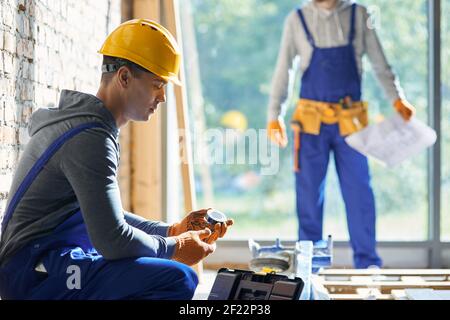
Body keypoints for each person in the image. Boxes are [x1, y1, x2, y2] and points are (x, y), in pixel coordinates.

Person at [0, 19, 233, 300]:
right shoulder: (90, 137)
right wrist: (174, 247)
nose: (162, 97)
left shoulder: (91, 127)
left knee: (161, 269)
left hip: (48, 258)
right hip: (29, 272)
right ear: (124, 77)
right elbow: (113, 240)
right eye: (157, 84)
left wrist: (171, 230)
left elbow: (104, 216)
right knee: (177, 278)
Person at [267, 0, 415, 268]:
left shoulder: (359, 15)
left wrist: (397, 99)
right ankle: (310, 268)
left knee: (360, 193)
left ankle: (368, 264)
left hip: (351, 122)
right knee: (309, 197)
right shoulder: (296, 19)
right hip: (310, 123)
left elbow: (381, 63)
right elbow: (284, 70)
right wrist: (274, 114)